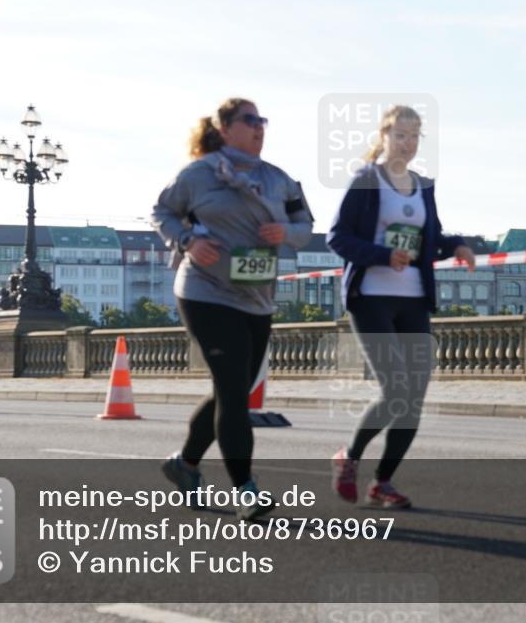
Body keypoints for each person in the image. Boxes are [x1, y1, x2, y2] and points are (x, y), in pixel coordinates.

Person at [151, 97, 313, 520]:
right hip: (205, 293)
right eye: (250, 120)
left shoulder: (278, 179)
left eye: (263, 120)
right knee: (233, 393)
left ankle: (183, 465)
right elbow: (162, 211)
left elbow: (306, 224)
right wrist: (189, 242)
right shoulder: (198, 175)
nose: (259, 127)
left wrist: (287, 232)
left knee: (234, 392)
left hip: (256, 298)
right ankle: (246, 489)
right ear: (225, 129)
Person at [326, 105, 476, 508]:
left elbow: (431, 241)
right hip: (371, 297)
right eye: (400, 135)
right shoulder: (366, 180)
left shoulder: (424, 186)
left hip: (413, 299)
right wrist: (380, 255)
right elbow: (337, 238)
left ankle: (382, 483)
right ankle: (349, 457)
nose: (407, 144)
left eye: (414, 137)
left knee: (414, 398)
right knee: (395, 390)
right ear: (384, 136)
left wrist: (457, 246)